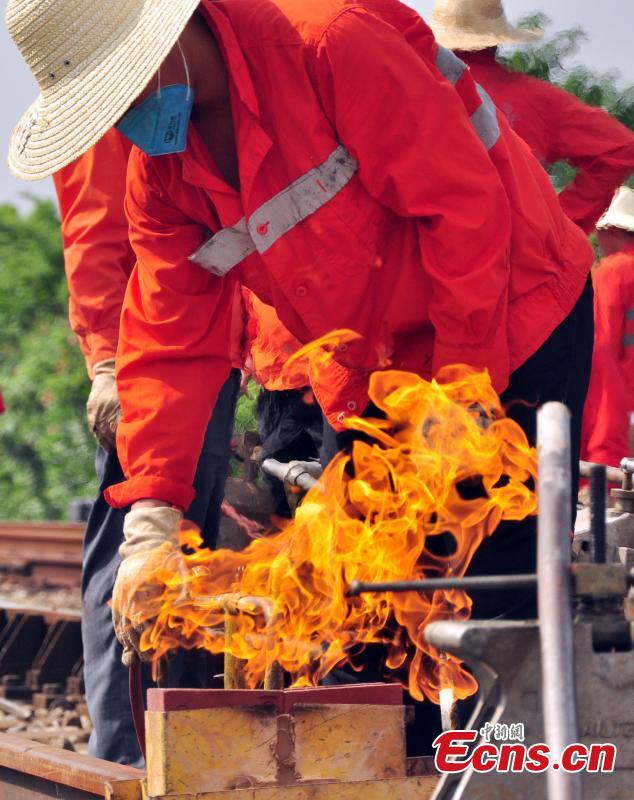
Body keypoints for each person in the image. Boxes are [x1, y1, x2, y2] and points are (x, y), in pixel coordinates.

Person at [8, 0, 594, 665]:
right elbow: (171, 344)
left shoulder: (329, 45)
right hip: (378, 367)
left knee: (492, 592)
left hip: (515, 315)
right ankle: (419, 764)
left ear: (164, 42)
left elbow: (463, 214)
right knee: (374, 610)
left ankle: (510, 760)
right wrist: (153, 514)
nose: (115, 124)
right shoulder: (163, 177)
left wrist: (457, 396)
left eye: (112, 97)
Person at [52, 130, 242, 765]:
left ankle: (170, 745)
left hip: (189, 343)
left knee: (183, 551)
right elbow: (97, 238)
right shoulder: (106, 123)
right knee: (137, 555)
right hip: (152, 358)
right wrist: (108, 363)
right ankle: (132, 755)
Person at [430, 0, 634, 233]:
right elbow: (621, 148)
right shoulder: (537, 99)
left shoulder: (415, 89)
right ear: (497, 41)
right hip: (513, 251)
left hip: (426, 248)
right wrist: (558, 222)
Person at [244, 291, 323, 517]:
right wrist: (246, 361)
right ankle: (285, 528)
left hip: (323, 387)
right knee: (273, 466)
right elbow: (247, 313)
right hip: (276, 387)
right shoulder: (251, 266)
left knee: (336, 467)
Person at [585, 187, 634, 463]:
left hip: (618, 416)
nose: (597, 238)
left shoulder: (613, 272)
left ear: (613, 230)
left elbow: (600, 349)